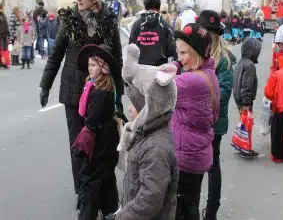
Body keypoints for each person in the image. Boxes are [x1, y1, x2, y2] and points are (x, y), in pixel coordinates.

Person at [39, 0, 123, 194]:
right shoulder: (69, 21)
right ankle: (83, 192)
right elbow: (56, 54)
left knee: (101, 144)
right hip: (74, 91)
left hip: (101, 91)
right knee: (78, 144)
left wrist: (119, 95)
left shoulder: (109, 22)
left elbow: (117, 59)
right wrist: (45, 85)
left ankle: (101, 193)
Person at [109, 43, 178, 219]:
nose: (130, 108)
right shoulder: (145, 133)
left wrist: (120, 217)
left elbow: (150, 200)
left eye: (134, 104)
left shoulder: (155, 148)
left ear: (149, 108)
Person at [172, 23, 220, 220]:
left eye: (184, 53)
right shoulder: (208, 74)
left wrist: (172, 66)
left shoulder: (191, 81)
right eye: (178, 53)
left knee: (182, 210)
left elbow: (157, 84)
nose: (180, 58)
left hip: (186, 156)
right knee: (189, 205)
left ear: (197, 53)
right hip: (196, 151)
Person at [74, 44, 121, 219]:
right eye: (89, 65)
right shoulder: (104, 87)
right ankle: (110, 211)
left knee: (91, 181)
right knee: (106, 179)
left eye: (93, 65)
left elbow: (92, 120)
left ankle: (89, 214)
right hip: (108, 139)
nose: (89, 69)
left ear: (103, 68)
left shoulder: (99, 92)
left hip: (100, 141)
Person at [197, 10, 236, 220]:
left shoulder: (224, 60)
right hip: (195, 121)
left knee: (212, 165)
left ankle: (211, 211)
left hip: (212, 121)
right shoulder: (195, 54)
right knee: (194, 166)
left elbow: (223, 92)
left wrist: (197, 103)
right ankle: (192, 208)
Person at [233, 38, 262, 157]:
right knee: (247, 123)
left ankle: (241, 145)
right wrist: (246, 103)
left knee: (243, 121)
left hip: (238, 97)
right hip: (245, 99)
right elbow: (247, 85)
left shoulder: (241, 62)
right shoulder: (249, 65)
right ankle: (246, 148)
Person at [129, 0, 176, 66]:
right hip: (159, 70)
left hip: (140, 69)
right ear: (159, 9)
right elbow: (172, 49)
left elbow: (131, 48)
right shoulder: (166, 26)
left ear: (145, 8)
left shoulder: (136, 24)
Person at [0, 3, 10, 69]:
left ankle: (5, 63)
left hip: (5, 35)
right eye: (2, 7)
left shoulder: (3, 14)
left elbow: (6, 24)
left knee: (5, 49)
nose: (2, 8)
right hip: (0, 35)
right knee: (0, 49)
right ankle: (1, 63)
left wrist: (8, 32)